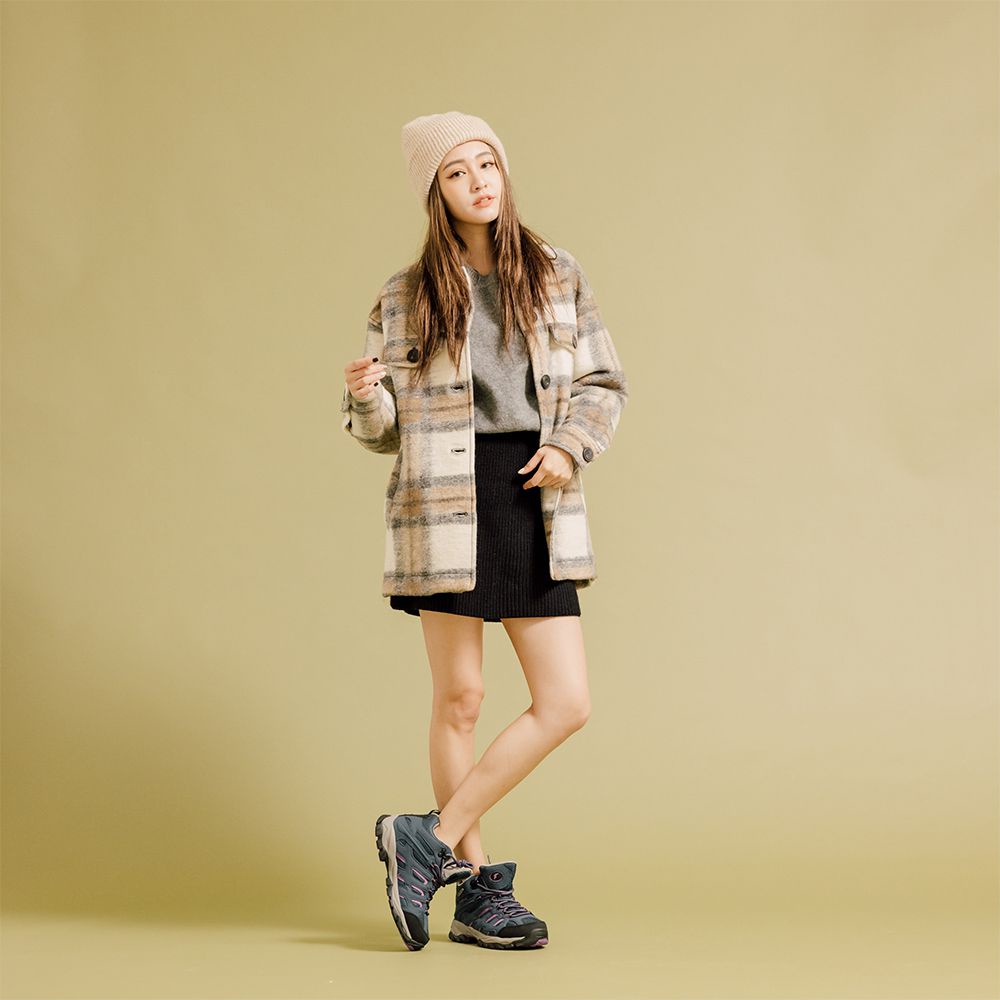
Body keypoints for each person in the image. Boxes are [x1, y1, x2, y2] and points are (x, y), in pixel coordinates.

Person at [341, 111, 628, 952]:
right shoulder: (404, 295)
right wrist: (364, 395)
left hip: (532, 494)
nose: (479, 181)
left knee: (565, 702)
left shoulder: (556, 272)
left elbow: (603, 382)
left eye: (487, 163)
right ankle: (476, 892)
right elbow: (381, 434)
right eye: (458, 171)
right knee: (460, 699)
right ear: (435, 190)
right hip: (441, 505)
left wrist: (569, 447)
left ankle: (424, 838)